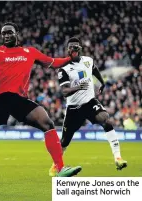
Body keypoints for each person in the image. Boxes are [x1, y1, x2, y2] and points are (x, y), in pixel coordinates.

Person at [0, 22, 82, 184]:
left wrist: (70, 59)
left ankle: (60, 168)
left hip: (19, 100)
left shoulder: (30, 52)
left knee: (46, 122)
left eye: (9, 32)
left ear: (17, 33)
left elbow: (52, 62)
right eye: (3, 33)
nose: (6, 36)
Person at [49, 37, 127, 176]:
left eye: (75, 46)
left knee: (106, 121)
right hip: (74, 108)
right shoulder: (64, 68)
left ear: (79, 48)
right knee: (64, 142)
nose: (73, 49)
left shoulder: (88, 60)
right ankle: (55, 166)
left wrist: (102, 83)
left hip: (90, 102)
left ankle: (118, 158)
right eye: (70, 47)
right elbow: (64, 91)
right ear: (68, 50)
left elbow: (94, 69)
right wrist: (78, 87)